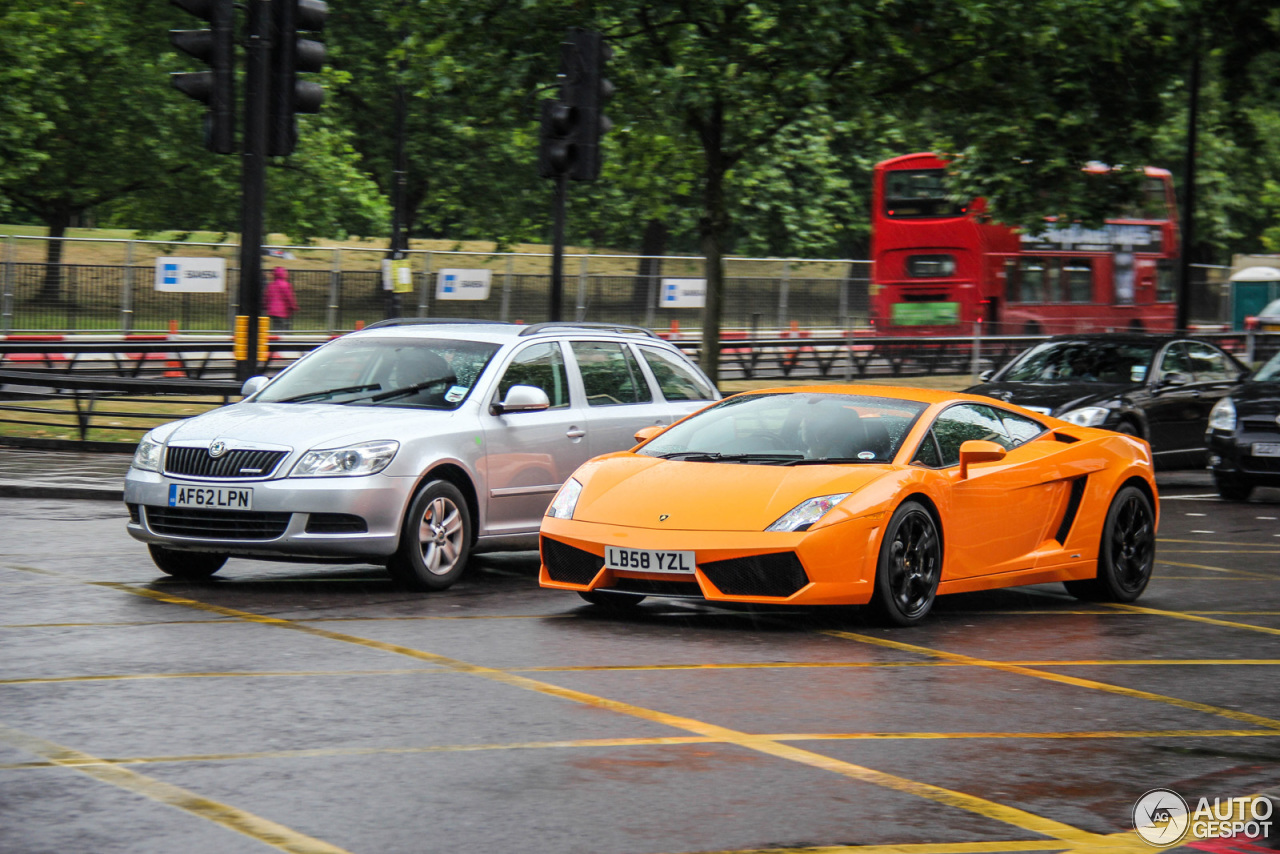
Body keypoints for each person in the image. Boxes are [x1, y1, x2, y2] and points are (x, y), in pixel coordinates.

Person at [264, 267, 299, 331]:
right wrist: (293, 307)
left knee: (277, 326)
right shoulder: (286, 285)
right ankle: (283, 339)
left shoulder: (271, 285)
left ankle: (278, 338)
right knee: (284, 328)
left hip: (273, 311)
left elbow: (267, 297)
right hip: (283, 311)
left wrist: (265, 306)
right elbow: (289, 298)